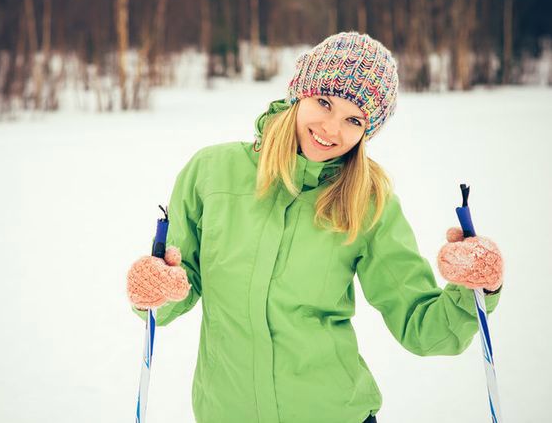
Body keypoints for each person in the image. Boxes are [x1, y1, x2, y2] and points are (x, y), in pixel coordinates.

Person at [126, 31, 504, 423]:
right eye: (324, 102)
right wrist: (155, 288)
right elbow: (174, 292)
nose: (331, 128)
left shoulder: (368, 201)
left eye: (353, 119)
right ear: (299, 94)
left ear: (366, 131)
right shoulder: (211, 172)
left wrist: (475, 288)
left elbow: (422, 327)